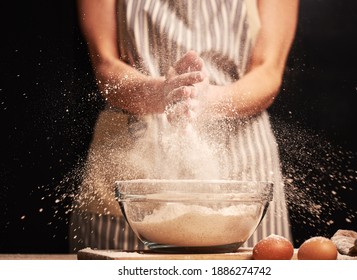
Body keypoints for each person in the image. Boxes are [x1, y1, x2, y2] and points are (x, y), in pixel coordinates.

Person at [70, 0, 299, 252]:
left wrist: (209, 100)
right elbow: (105, 64)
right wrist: (161, 93)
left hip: (241, 159)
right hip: (131, 162)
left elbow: (268, 70)